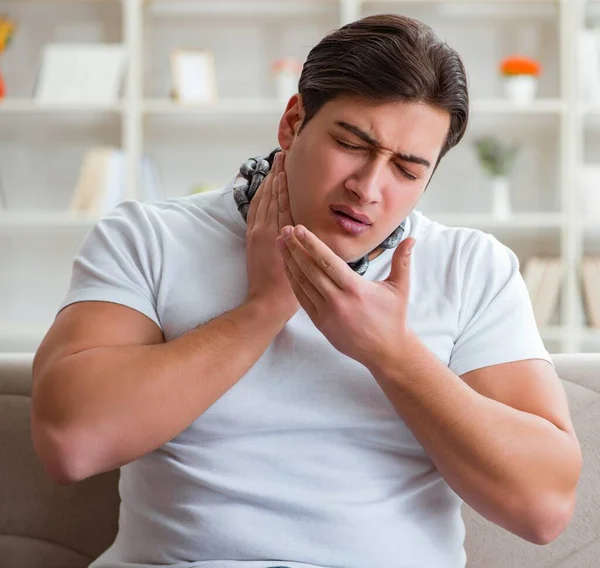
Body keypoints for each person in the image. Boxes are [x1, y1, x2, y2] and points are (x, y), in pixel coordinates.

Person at [31, 13, 581, 568]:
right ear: (293, 122)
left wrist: (392, 354)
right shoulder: (150, 238)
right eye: (351, 144)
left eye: (407, 171)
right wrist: (264, 309)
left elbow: (543, 508)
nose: (367, 189)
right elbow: (70, 444)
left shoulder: (471, 268)